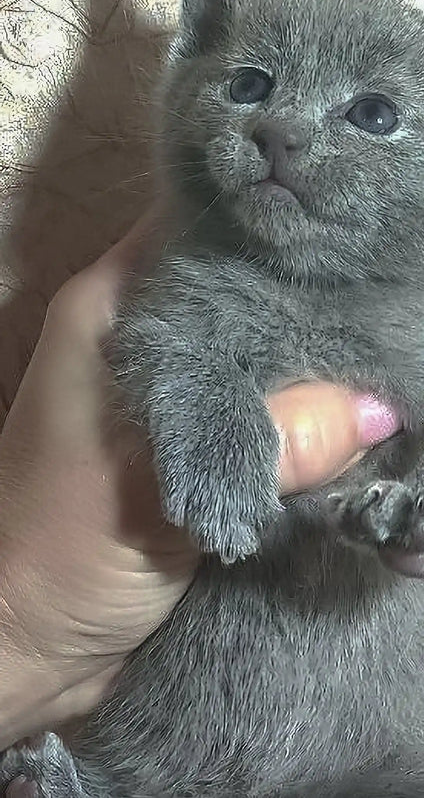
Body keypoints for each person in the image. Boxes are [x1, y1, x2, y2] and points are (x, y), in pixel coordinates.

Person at [0, 211, 398, 783]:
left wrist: (24, 640)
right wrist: (20, 634)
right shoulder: (194, 274)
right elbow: (159, 337)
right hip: (168, 720)